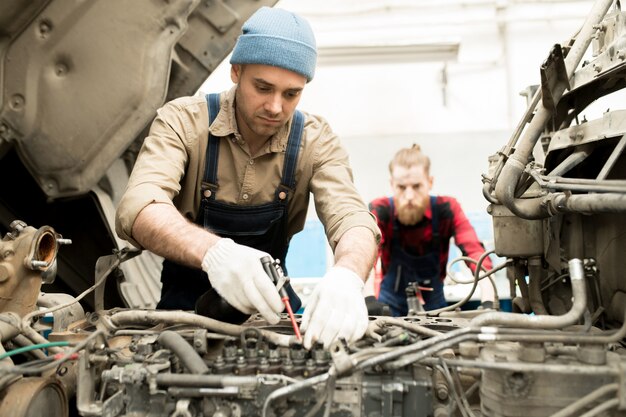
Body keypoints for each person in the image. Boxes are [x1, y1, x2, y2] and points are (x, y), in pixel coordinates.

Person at [114, 7, 380, 350]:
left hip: (273, 310)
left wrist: (348, 275)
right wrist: (215, 254)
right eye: (263, 87)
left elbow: (353, 219)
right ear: (236, 71)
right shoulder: (182, 122)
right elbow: (138, 207)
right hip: (184, 316)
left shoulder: (316, 140)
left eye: (291, 94)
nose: (275, 107)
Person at [368, 144, 494, 316]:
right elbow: (366, 253)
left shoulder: (447, 209)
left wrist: (488, 301)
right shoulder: (381, 210)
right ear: (392, 184)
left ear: (430, 182)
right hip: (389, 307)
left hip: (435, 307)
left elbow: (474, 252)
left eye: (417, 186)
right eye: (401, 187)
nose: (410, 196)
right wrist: (368, 299)